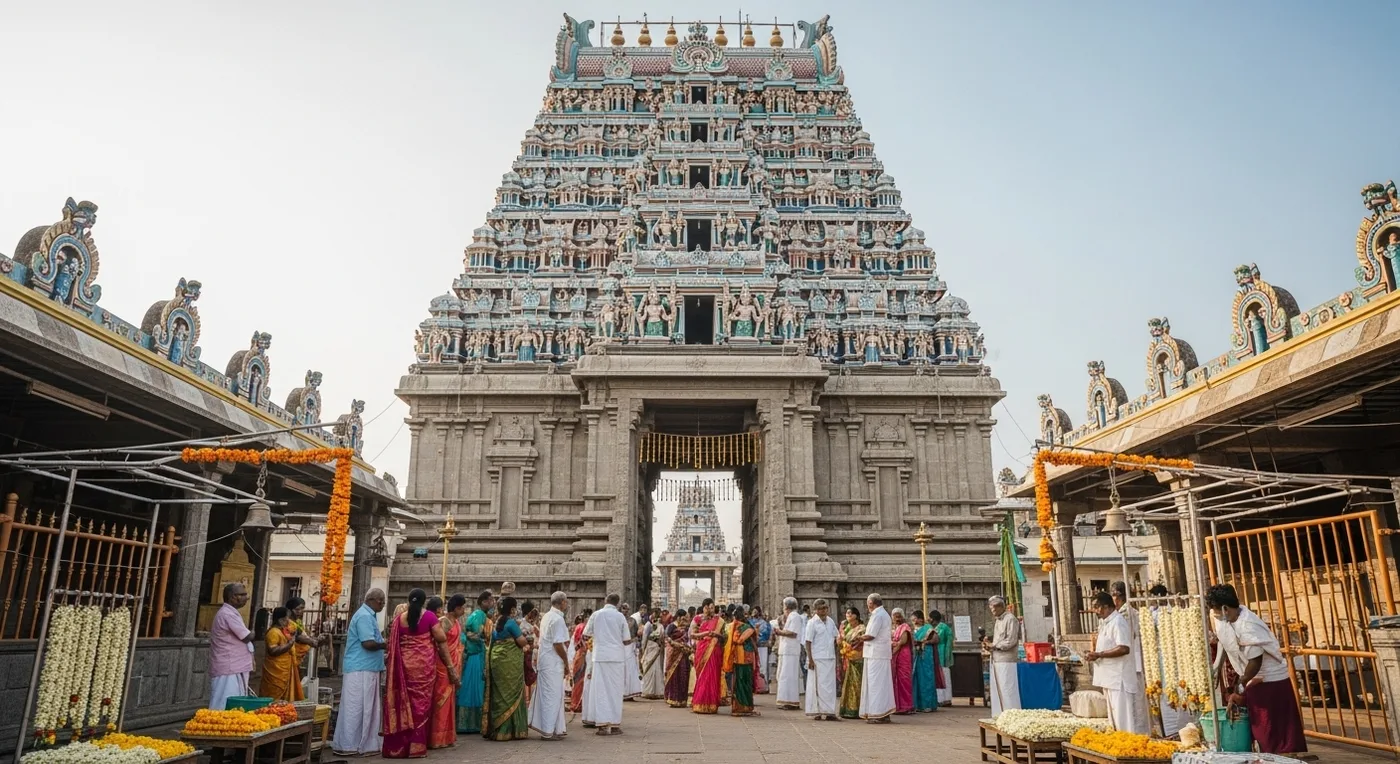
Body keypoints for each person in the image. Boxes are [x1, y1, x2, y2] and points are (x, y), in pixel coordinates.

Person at [1206, 583, 1307, 754]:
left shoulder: (1248, 625)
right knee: (1260, 730)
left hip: (1269, 681)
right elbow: (1225, 639)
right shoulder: (1225, 618)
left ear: (1225, 608)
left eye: (1216, 611)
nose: (1214, 615)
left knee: (1272, 732)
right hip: (1251, 677)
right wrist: (1217, 666)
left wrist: (1240, 686)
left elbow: (1255, 662)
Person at [384, 588, 456, 759]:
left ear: (409, 601)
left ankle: (400, 748)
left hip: (404, 670)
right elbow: (441, 640)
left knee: (404, 705)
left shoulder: (398, 620)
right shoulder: (430, 617)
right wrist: (450, 667)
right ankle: (416, 748)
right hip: (423, 670)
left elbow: (390, 642)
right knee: (419, 708)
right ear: (424, 602)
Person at [332, 588, 386, 757]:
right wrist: (385, 644)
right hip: (360, 669)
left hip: (366, 667)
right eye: (381, 601)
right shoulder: (364, 616)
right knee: (357, 708)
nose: (383, 605)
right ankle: (352, 744)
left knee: (363, 708)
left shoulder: (368, 615)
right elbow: (368, 643)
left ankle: (361, 743)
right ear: (372, 600)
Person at [1085, 592, 1147, 734]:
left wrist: (1099, 654)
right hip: (1110, 679)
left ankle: (1127, 750)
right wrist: (1095, 654)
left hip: (1119, 681)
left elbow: (1124, 648)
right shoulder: (1106, 623)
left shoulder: (1118, 622)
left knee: (1124, 722)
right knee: (1114, 722)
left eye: (1096, 607)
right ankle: (1119, 745)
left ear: (1106, 606)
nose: (1095, 611)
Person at [584, 593, 632, 736]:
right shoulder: (620, 617)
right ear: (618, 603)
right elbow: (626, 640)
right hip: (616, 657)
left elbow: (586, 635)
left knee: (601, 691)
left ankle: (603, 725)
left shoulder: (596, 615)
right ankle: (615, 725)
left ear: (605, 601)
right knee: (616, 692)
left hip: (600, 656)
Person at [484, 596, 529, 740]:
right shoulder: (511, 623)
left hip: (497, 661)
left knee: (499, 694)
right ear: (512, 609)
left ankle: (498, 729)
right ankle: (511, 729)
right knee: (512, 693)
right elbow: (521, 641)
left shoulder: (496, 622)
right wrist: (527, 641)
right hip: (510, 663)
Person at [528, 591, 570, 740]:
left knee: (553, 695)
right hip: (552, 662)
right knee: (552, 696)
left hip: (546, 661)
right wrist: (566, 662)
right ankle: (547, 730)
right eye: (566, 602)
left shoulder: (547, 616)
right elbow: (558, 644)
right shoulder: (557, 620)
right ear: (563, 602)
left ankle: (555, 728)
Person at [1112, 581, 1152, 734]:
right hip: (1130, 662)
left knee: (1136, 701)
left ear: (1118, 597)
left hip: (1132, 661)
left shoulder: (1126, 614)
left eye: (1114, 595)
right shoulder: (1124, 613)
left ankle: (1139, 733)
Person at [209, 583, 255, 710]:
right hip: (229, 665)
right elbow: (246, 637)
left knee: (235, 701)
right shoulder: (227, 614)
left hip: (234, 665)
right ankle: (217, 726)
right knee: (225, 701)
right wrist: (253, 633)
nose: (247, 597)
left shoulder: (231, 612)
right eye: (243, 595)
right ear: (232, 597)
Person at [428, 596, 461, 749]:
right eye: (462, 607)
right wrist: (449, 667)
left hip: (453, 663)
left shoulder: (456, 622)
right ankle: (436, 738)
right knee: (440, 700)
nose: (463, 610)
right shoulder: (444, 622)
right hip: (442, 666)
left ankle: (446, 736)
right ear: (456, 608)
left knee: (449, 701)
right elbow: (440, 644)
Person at [458, 590, 493, 734]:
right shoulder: (480, 615)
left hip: (474, 653)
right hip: (477, 655)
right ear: (484, 602)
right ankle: (473, 723)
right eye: (490, 600)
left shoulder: (476, 614)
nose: (493, 603)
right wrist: (487, 638)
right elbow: (476, 634)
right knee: (475, 688)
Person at [859, 593, 895, 723]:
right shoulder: (883, 614)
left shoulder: (878, 615)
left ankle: (877, 713)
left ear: (871, 603)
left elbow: (871, 635)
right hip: (879, 654)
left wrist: (858, 638)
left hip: (876, 654)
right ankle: (883, 712)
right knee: (882, 684)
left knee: (875, 684)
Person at [804, 599, 839, 720]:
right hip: (817, 658)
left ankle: (829, 711)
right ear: (816, 610)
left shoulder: (830, 621)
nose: (823, 611)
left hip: (829, 657)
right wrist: (810, 660)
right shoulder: (812, 623)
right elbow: (808, 642)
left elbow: (836, 637)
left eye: (825, 608)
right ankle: (817, 711)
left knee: (829, 686)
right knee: (817, 685)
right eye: (820, 609)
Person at [987, 595, 1022, 716]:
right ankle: (999, 714)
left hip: (1007, 659)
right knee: (998, 690)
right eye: (991, 609)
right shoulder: (998, 620)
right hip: (997, 658)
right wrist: (990, 643)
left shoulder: (1010, 619)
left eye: (995, 609)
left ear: (1001, 607)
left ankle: (1011, 715)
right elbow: (999, 638)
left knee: (1008, 689)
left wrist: (995, 646)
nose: (993, 612)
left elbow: (1011, 640)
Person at [259, 607, 304, 701]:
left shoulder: (282, 631)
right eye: (287, 618)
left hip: (285, 669)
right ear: (281, 620)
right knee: (272, 696)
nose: (288, 620)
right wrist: (290, 644)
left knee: (284, 699)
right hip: (275, 670)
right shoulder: (273, 632)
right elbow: (273, 651)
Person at [724, 605, 760, 717]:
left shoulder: (729, 627)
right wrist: (756, 631)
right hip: (745, 658)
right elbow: (740, 640)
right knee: (745, 682)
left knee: (737, 682)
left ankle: (737, 707)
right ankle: (745, 707)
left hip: (735, 658)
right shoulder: (747, 627)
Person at [689, 599, 724, 714]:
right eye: (709, 607)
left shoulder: (719, 620)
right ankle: (700, 703)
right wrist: (705, 634)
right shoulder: (698, 619)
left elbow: (724, 637)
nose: (711, 610)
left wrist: (716, 634)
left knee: (712, 675)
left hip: (714, 650)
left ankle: (711, 704)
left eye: (713, 608)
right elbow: (692, 634)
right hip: (702, 648)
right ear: (704, 607)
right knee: (703, 676)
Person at [775, 597, 805, 710]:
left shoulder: (795, 616)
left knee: (789, 676)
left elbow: (793, 633)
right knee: (783, 675)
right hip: (786, 650)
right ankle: (785, 700)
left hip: (790, 651)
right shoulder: (791, 617)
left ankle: (790, 700)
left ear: (786, 607)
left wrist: (779, 632)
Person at [838, 606, 865, 720]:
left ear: (856, 616)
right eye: (846, 613)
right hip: (847, 658)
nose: (847, 615)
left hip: (857, 659)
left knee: (856, 685)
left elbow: (856, 643)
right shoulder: (847, 627)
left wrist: (843, 637)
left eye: (850, 613)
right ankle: (846, 709)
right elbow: (839, 642)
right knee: (847, 684)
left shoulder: (861, 628)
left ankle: (856, 709)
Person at [910, 610, 939, 713]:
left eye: (915, 618)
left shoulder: (928, 628)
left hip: (926, 655)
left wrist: (924, 642)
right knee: (916, 679)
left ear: (920, 619)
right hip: (916, 656)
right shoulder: (913, 630)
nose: (913, 621)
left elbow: (936, 639)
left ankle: (928, 704)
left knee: (926, 678)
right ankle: (917, 704)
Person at [664, 611, 693, 708]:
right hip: (674, 654)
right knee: (674, 676)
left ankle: (682, 700)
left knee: (683, 675)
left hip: (684, 654)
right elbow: (667, 638)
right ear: (679, 617)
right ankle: (673, 699)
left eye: (685, 618)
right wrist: (677, 645)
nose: (684, 620)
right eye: (683, 618)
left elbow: (689, 639)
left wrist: (686, 647)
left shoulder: (686, 628)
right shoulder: (672, 626)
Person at [890, 608, 915, 714]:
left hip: (903, 654)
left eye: (899, 616)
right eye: (895, 616)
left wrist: (895, 649)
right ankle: (896, 706)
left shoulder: (905, 627)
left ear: (903, 616)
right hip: (893, 653)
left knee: (903, 679)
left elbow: (903, 641)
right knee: (894, 679)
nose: (897, 618)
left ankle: (906, 706)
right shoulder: (890, 628)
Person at [567, 609, 591, 716]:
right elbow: (584, 643)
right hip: (583, 654)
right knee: (581, 680)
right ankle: (578, 704)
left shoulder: (579, 627)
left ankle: (576, 703)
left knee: (578, 680)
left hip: (578, 654)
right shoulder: (584, 627)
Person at [640, 607, 666, 699]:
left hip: (656, 649)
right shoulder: (648, 625)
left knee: (657, 668)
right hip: (650, 648)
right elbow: (645, 637)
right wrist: (643, 649)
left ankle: (657, 691)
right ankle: (648, 690)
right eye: (656, 614)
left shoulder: (660, 626)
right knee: (649, 668)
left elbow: (662, 638)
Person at [930, 610, 955, 706]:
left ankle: (944, 699)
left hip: (942, 653)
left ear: (933, 619)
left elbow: (940, 640)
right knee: (942, 678)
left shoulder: (942, 628)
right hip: (940, 653)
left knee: (943, 677)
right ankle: (943, 698)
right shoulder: (940, 627)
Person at [621, 604, 643, 701]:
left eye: (627, 609)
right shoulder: (617, 619)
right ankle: (622, 692)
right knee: (622, 670)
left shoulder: (632, 621)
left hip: (630, 647)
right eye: (624, 608)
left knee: (631, 669)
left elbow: (636, 635)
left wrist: (636, 642)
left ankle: (631, 692)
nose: (626, 611)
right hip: (619, 648)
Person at [519, 601, 539, 702]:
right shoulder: (522, 624)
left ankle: (531, 699)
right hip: (525, 653)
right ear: (528, 612)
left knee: (531, 676)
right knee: (526, 676)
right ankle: (526, 699)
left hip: (532, 654)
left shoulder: (531, 625)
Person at [751, 606, 773, 694]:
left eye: (756, 611)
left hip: (763, 646)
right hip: (753, 647)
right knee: (755, 666)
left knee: (763, 666)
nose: (754, 613)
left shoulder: (764, 623)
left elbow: (768, 634)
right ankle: (756, 686)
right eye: (753, 611)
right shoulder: (750, 622)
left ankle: (764, 686)